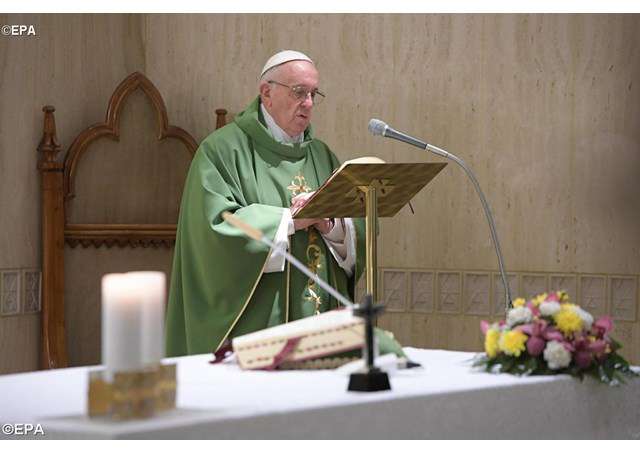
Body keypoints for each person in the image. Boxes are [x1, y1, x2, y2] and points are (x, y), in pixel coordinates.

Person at [166, 50, 366, 356]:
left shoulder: (323, 156)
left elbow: (357, 231)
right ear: (266, 93)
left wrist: (332, 226)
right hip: (259, 330)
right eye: (299, 92)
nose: (309, 104)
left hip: (322, 328)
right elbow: (213, 233)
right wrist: (290, 220)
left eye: (314, 94)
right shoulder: (220, 151)